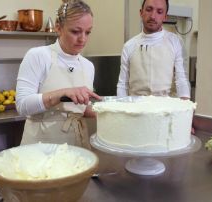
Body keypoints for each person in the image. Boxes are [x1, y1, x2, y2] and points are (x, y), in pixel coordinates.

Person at [16, 0, 100, 149]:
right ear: (58, 27)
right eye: (75, 31)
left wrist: (108, 112)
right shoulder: (39, 56)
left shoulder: (88, 66)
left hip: (76, 142)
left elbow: (81, 108)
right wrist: (63, 93)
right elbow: (22, 105)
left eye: (88, 32)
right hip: (41, 143)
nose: (83, 39)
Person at [117, 0, 191, 100]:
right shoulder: (129, 46)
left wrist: (185, 109)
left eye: (159, 12)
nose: (153, 16)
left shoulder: (176, 42)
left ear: (165, 16)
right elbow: (123, 85)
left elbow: (182, 80)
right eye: (148, 10)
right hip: (136, 110)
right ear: (141, 12)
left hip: (167, 110)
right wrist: (122, 109)